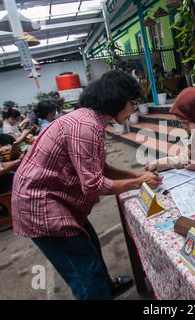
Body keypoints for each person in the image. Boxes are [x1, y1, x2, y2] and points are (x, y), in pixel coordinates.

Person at [11, 70, 163, 300]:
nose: (133, 109)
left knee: (89, 245)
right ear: (118, 100)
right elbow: (93, 185)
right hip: (41, 205)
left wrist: (136, 174)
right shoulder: (86, 126)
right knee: (85, 271)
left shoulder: (88, 119)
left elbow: (100, 168)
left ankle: (107, 288)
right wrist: (138, 182)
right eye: (133, 103)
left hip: (56, 197)